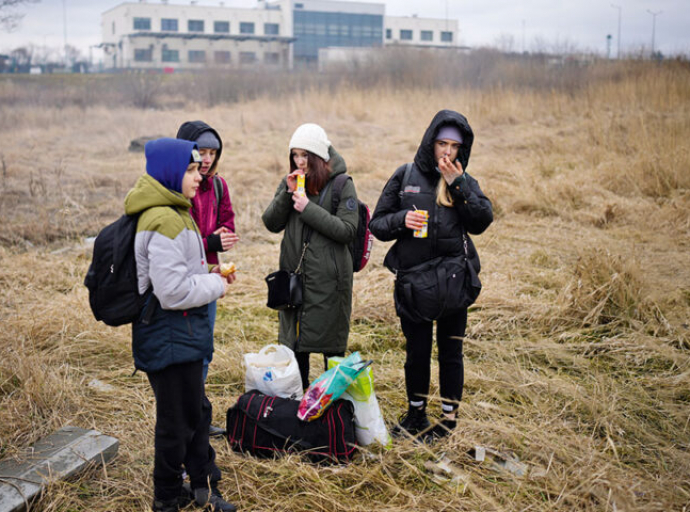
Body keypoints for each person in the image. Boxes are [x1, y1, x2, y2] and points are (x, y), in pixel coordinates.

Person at [125, 138, 237, 512]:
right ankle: (168, 497)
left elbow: (180, 273)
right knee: (177, 423)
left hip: (182, 334)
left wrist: (208, 271)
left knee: (195, 413)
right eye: (190, 170)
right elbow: (171, 292)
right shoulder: (164, 219)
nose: (198, 174)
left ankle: (203, 486)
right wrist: (216, 285)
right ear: (172, 173)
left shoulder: (176, 211)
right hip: (168, 334)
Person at [369, 110, 493, 441]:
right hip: (414, 284)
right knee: (417, 352)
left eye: (454, 146)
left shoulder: (464, 181)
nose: (447, 152)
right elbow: (377, 224)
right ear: (430, 142)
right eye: (442, 144)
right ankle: (416, 415)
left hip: (454, 283)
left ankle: (449, 419)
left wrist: (460, 185)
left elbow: (482, 220)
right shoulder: (406, 175)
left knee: (451, 352)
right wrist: (401, 221)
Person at [261, 123, 358, 389]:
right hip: (295, 281)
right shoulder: (291, 181)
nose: (300, 162)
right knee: (296, 348)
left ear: (319, 157)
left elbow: (348, 230)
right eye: (295, 155)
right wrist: (287, 193)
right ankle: (299, 411)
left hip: (330, 284)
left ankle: (334, 414)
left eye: (306, 156)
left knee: (332, 351)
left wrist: (307, 208)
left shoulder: (342, 184)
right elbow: (270, 223)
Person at [176, 121, 238, 438]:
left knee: (204, 348)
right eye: (202, 151)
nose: (207, 159)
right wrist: (210, 242)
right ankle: (186, 420)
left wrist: (223, 240)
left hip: (210, 275)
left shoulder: (217, 186)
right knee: (187, 350)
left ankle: (198, 417)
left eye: (213, 152)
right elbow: (178, 243)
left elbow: (226, 221)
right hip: (182, 281)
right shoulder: (178, 186)